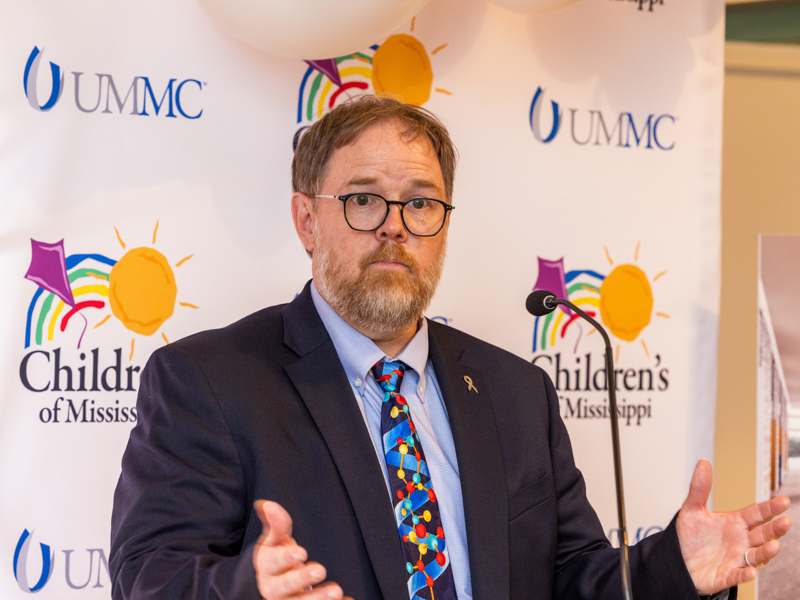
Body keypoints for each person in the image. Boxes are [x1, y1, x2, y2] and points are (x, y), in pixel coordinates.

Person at [110, 95, 791, 600]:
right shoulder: (210, 382)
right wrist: (246, 588)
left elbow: (573, 580)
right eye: (364, 201)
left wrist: (675, 566)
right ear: (307, 220)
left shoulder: (516, 394)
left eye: (422, 204)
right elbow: (146, 576)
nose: (395, 228)